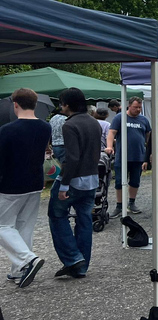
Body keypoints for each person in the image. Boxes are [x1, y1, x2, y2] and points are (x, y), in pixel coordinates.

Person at [49, 87, 101, 279]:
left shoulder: (69, 125)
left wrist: (63, 185)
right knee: (84, 219)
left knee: (56, 215)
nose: (61, 107)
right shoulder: (94, 122)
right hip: (92, 178)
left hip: (73, 180)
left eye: (61, 103)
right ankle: (81, 265)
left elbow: (72, 158)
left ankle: (72, 258)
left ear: (67, 104)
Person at [0, 88, 49, 288]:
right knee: (24, 228)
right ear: (35, 104)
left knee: (3, 226)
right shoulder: (45, 127)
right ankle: (18, 271)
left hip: (11, 184)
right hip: (35, 182)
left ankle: (28, 259)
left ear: (15, 104)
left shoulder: (7, 130)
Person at [106, 96, 151, 217]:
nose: (138, 110)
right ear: (129, 106)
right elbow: (111, 133)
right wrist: (109, 146)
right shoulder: (120, 117)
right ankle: (119, 205)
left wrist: (147, 151)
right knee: (120, 181)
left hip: (138, 156)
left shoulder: (144, 120)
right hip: (122, 155)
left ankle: (132, 203)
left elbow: (148, 135)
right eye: (135, 107)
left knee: (135, 181)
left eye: (140, 107)